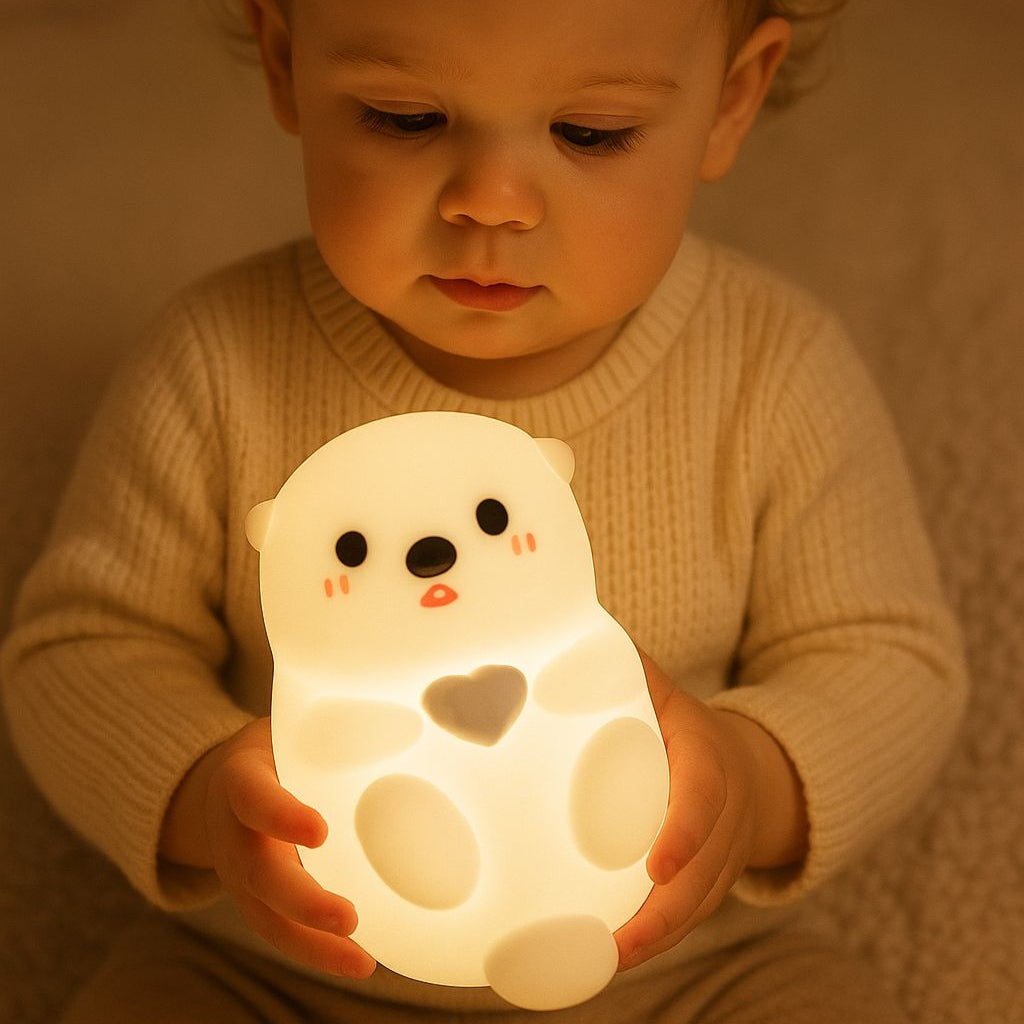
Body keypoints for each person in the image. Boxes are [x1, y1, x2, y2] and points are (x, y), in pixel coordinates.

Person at [0, 0, 968, 1021]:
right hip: (284, 969)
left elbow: (884, 657)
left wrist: (754, 782)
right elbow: (84, 646)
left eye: (589, 133)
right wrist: (201, 792)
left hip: (680, 968)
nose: (492, 203)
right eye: (405, 118)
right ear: (289, 69)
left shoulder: (771, 371)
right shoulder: (215, 363)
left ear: (730, 100)